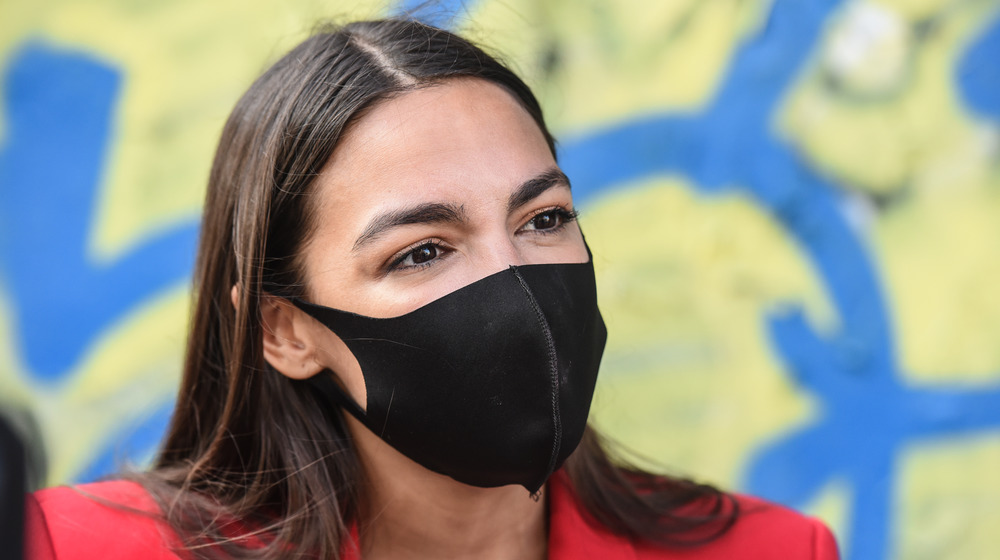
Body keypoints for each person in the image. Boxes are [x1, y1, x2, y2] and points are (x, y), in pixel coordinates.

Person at [25, 18, 839, 560]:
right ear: (284, 331)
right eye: (421, 252)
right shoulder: (69, 546)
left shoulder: (773, 550)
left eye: (543, 218)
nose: (512, 282)